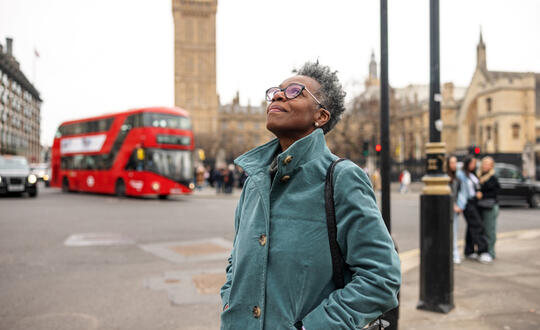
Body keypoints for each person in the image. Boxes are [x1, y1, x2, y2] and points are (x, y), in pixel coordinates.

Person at [220, 61, 400, 330]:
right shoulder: (254, 183)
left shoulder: (340, 178)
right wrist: (229, 301)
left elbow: (381, 276)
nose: (279, 95)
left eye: (295, 91)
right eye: (276, 91)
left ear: (321, 116)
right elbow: (237, 258)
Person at [456, 155, 492, 263]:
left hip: (475, 202)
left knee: (471, 227)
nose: (474, 165)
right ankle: (483, 251)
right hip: (467, 204)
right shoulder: (461, 175)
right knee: (477, 226)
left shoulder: (472, 174)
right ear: (467, 163)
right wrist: (459, 205)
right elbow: (460, 191)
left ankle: (469, 251)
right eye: (472, 163)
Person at [477, 156, 500, 259]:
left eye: (488, 164)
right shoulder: (479, 175)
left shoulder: (493, 177)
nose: (485, 165)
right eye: (484, 163)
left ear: (491, 166)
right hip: (481, 206)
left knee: (489, 231)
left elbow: (495, 193)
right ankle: (483, 251)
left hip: (490, 206)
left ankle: (490, 252)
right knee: (482, 230)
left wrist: (482, 195)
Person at [447, 155, 465, 264]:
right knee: (450, 233)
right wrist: (453, 204)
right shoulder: (446, 177)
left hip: (454, 210)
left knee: (453, 232)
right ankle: (454, 254)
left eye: (455, 162)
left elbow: (460, 193)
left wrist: (459, 205)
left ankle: (454, 254)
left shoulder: (457, 177)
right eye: (452, 163)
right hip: (448, 209)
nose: (454, 165)